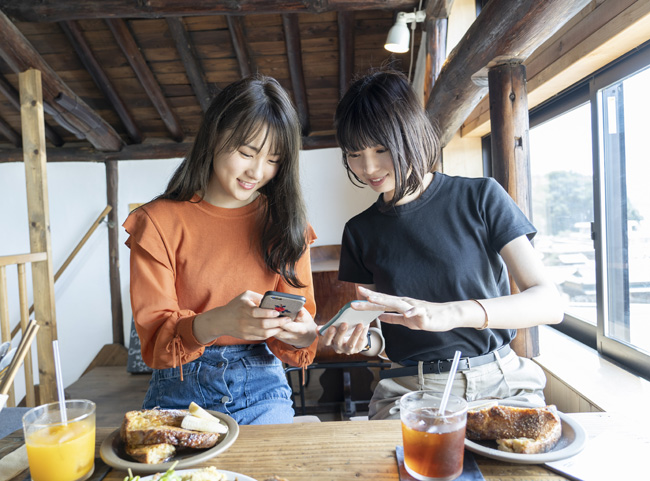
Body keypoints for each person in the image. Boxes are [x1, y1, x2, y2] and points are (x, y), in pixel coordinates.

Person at [323, 70, 564, 420]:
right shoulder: (360, 230)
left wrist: (449, 313)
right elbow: (381, 334)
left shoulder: (480, 196)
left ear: (413, 136)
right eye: (354, 154)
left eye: (381, 148)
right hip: (411, 388)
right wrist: (362, 342)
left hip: (501, 380)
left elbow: (549, 303)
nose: (368, 167)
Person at [123, 75, 319, 425]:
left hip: (263, 387)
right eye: (246, 153)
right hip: (178, 390)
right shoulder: (155, 223)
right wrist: (219, 321)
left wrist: (304, 335)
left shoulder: (287, 225)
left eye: (273, 160)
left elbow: (298, 340)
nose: (257, 172)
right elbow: (154, 343)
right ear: (214, 136)